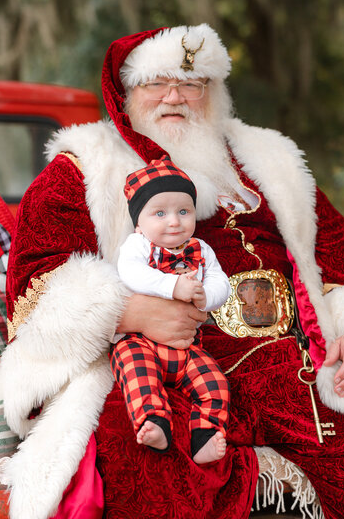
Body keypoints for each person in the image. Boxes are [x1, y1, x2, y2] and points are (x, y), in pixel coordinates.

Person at [0, 23, 344, 519]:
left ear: (214, 92)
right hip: (170, 368)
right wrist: (128, 312)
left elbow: (339, 258)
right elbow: (37, 283)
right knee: (143, 454)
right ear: (128, 94)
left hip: (296, 366)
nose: (173, 97)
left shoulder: (270, 159)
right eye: (156, 82)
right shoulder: (84, 166)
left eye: (191, 84)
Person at [112, 155, 231, 463]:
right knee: (136, 371)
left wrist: (207, 296)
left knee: (214, 383)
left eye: (183, 211)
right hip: (141, 340)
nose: (174, 221)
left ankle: (205, 434)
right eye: (160, 213)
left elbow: (221, 280)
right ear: (139, 222)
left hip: (186, 346)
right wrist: (174, 287)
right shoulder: (137, 246)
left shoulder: (201, 250)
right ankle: (153, 422)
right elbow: (130, 273)